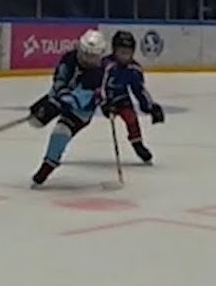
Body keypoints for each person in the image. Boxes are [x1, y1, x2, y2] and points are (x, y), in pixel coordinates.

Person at [29, 29, 109, 186]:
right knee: (35, 118)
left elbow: (80, 98)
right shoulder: (69, 57)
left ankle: (49, 164)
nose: (87, 59)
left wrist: (62, 101)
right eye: (85, 54)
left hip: (81, 111)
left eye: (92, 56)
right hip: (60, 97)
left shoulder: (97, 74)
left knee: (61, 131)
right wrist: (53, 99)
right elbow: (60, 78)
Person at [101, 31, 165, 163]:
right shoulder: (106, 65)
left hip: (121, 97)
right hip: (101, 97)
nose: (124, 56)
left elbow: (139, 90)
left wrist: (150, 107)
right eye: (121, 52)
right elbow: (98, 86)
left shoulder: (134, 69)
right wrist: (104, 103)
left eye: (128, 53)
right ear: (114, 50)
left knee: (131, 118)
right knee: (82, 117)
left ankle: (137, 144)